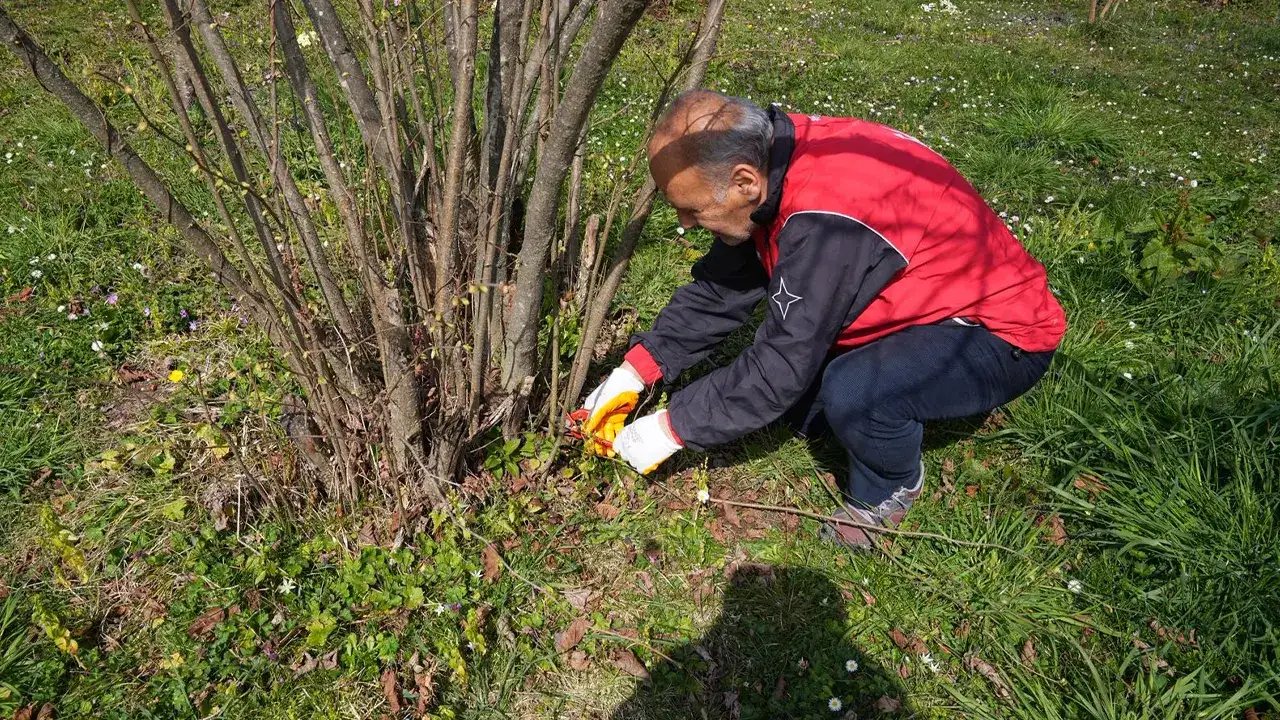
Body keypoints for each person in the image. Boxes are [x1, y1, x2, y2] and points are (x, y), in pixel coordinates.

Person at [573, 90, 1066, 548]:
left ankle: (890, 486)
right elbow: (724, 288)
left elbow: (781, 365)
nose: (685, 224)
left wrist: (671, 427)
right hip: (920, 304)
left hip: (996, 335)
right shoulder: (774, 165)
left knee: (855, 391)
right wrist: (637, 369)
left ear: (744, 181)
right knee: (801, 410)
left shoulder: (827, 220)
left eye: (692, 210)